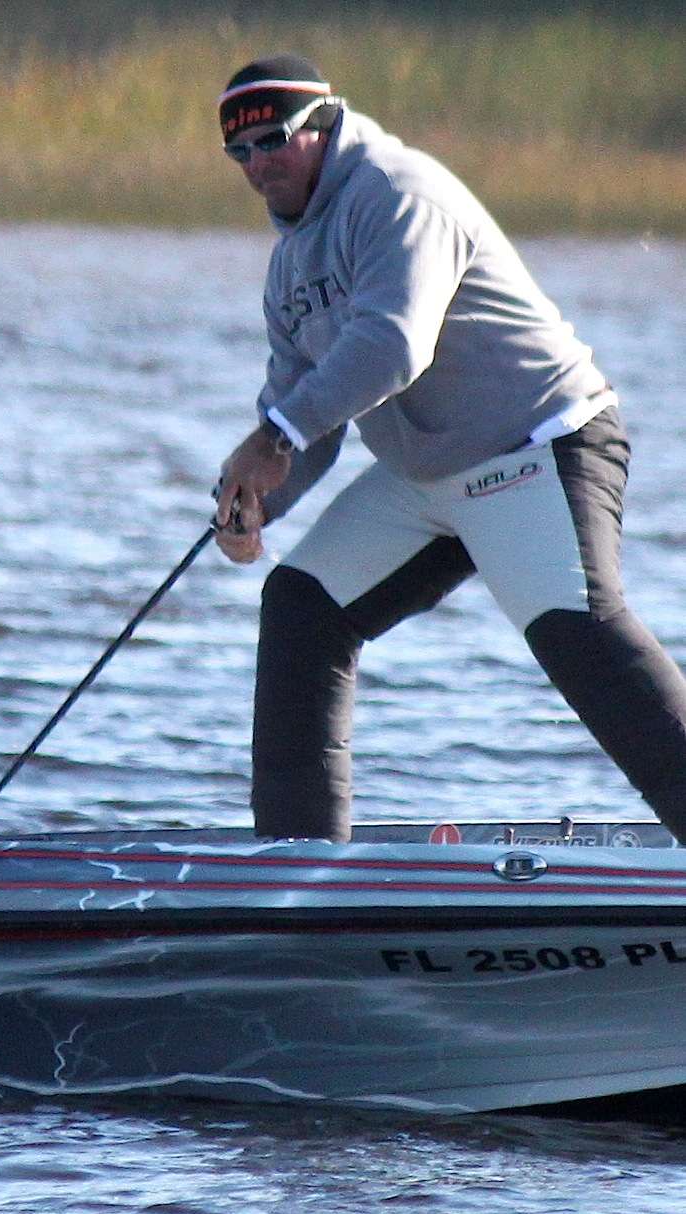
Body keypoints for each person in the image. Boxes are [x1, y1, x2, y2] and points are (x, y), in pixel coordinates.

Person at [210, 53, 686, 843]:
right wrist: (257, 504)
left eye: (273, 140)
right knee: (301, 607)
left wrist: (276, 435)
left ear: (324, 125)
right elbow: (302, 418)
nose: (258, 165)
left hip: (537, 446)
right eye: (239, 152)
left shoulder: (396, 193)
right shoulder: (289, 265)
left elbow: (393, 345)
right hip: (425, 476)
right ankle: (295, 873)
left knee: (577, 635)